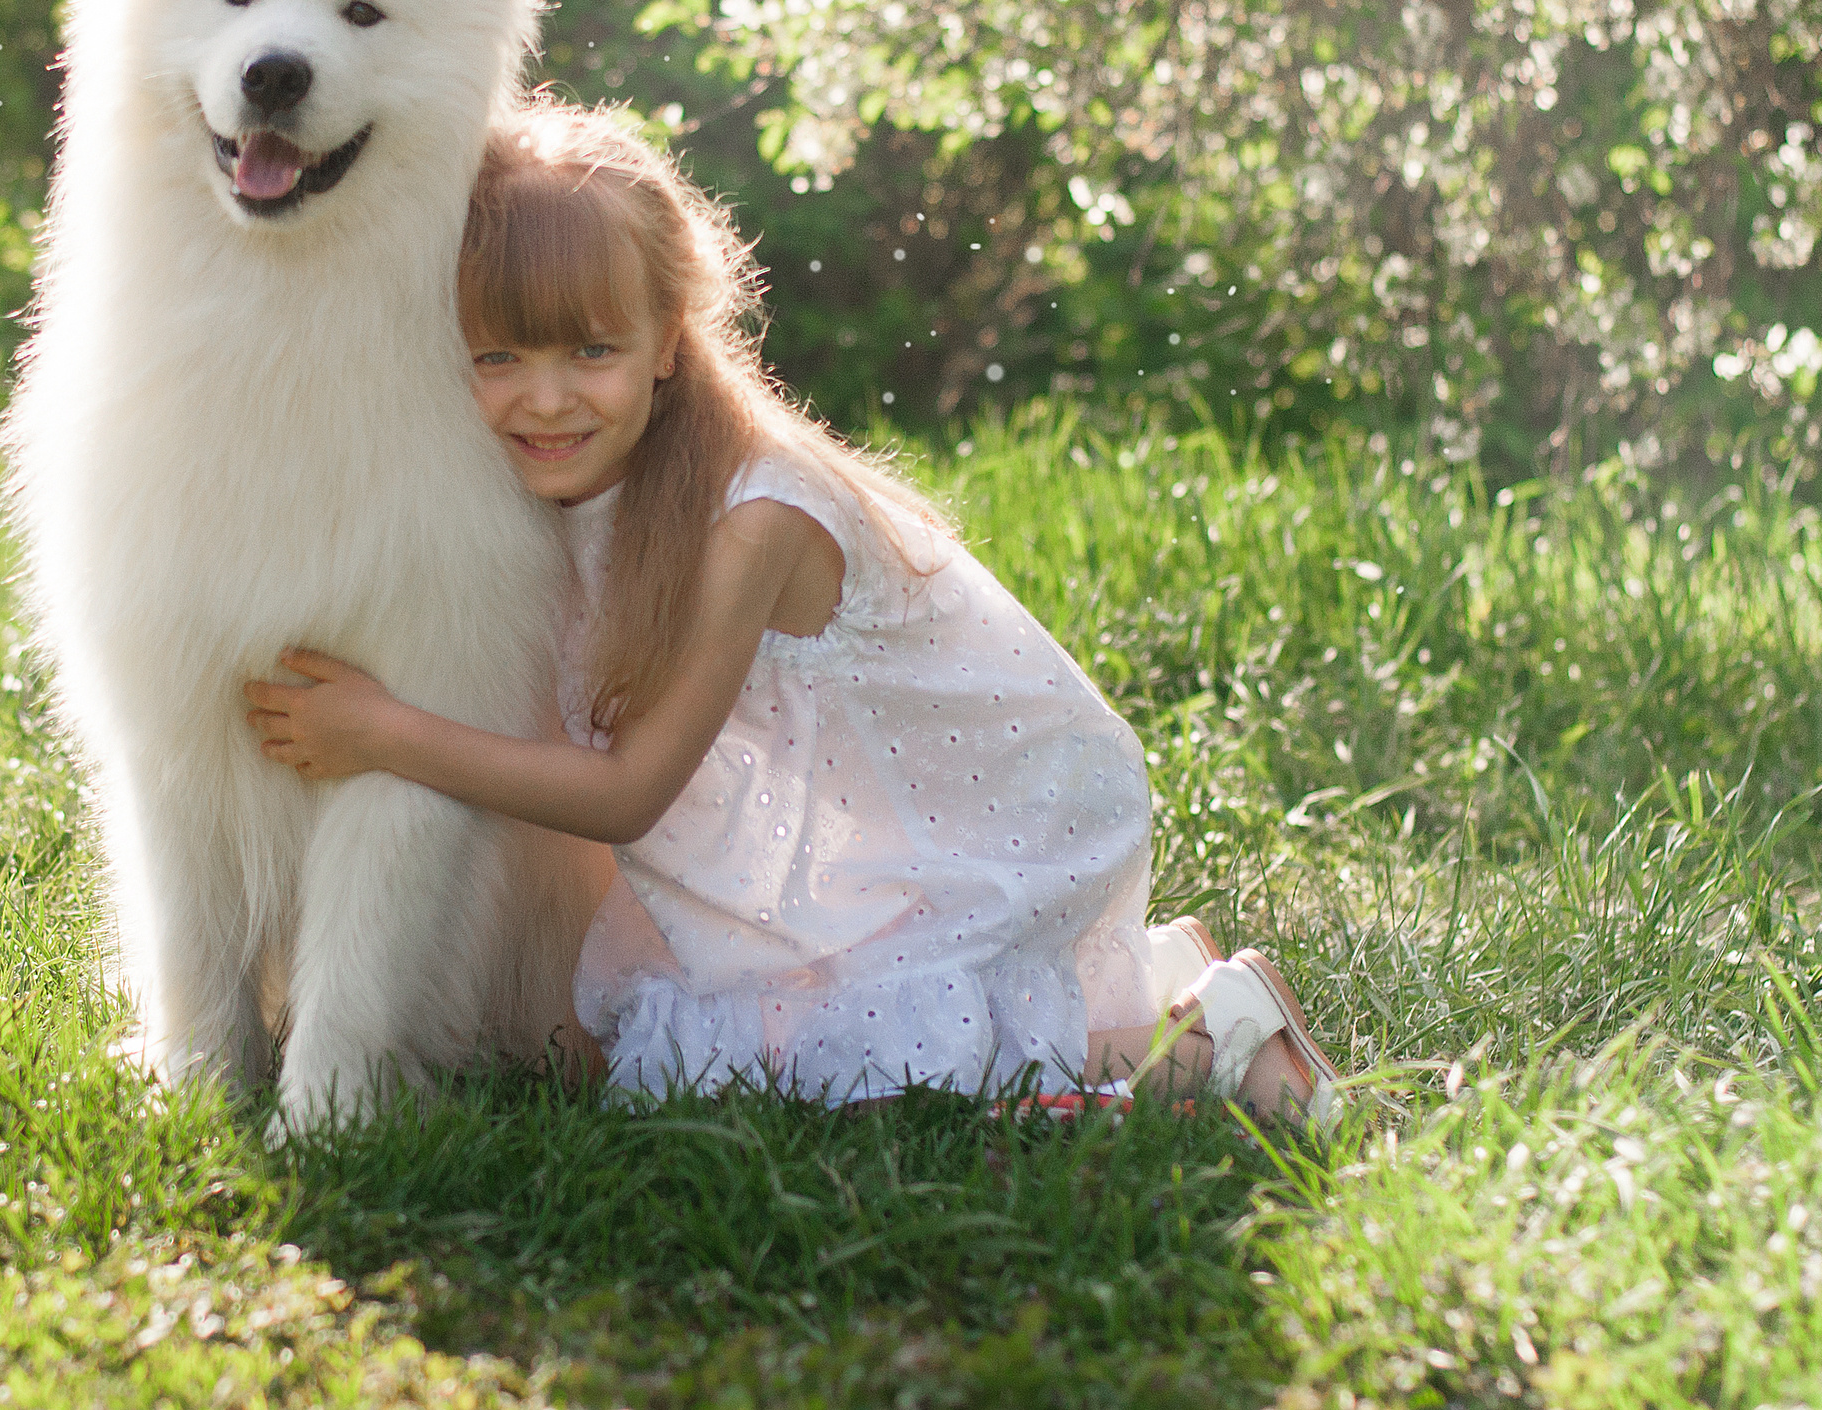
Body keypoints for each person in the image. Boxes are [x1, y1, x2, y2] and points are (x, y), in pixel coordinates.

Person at [244, 99, 1341, 1123]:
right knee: (657, 1059)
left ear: (668, 338)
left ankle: (1218, 1038)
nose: (545, 396)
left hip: (974, 817)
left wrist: (384, 733)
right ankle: (1148, 982)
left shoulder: (755, 516)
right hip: (843, 826)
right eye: (498, 356)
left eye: (592, 350)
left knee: (865, 1086)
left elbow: (629, 794)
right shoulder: (556, 480)